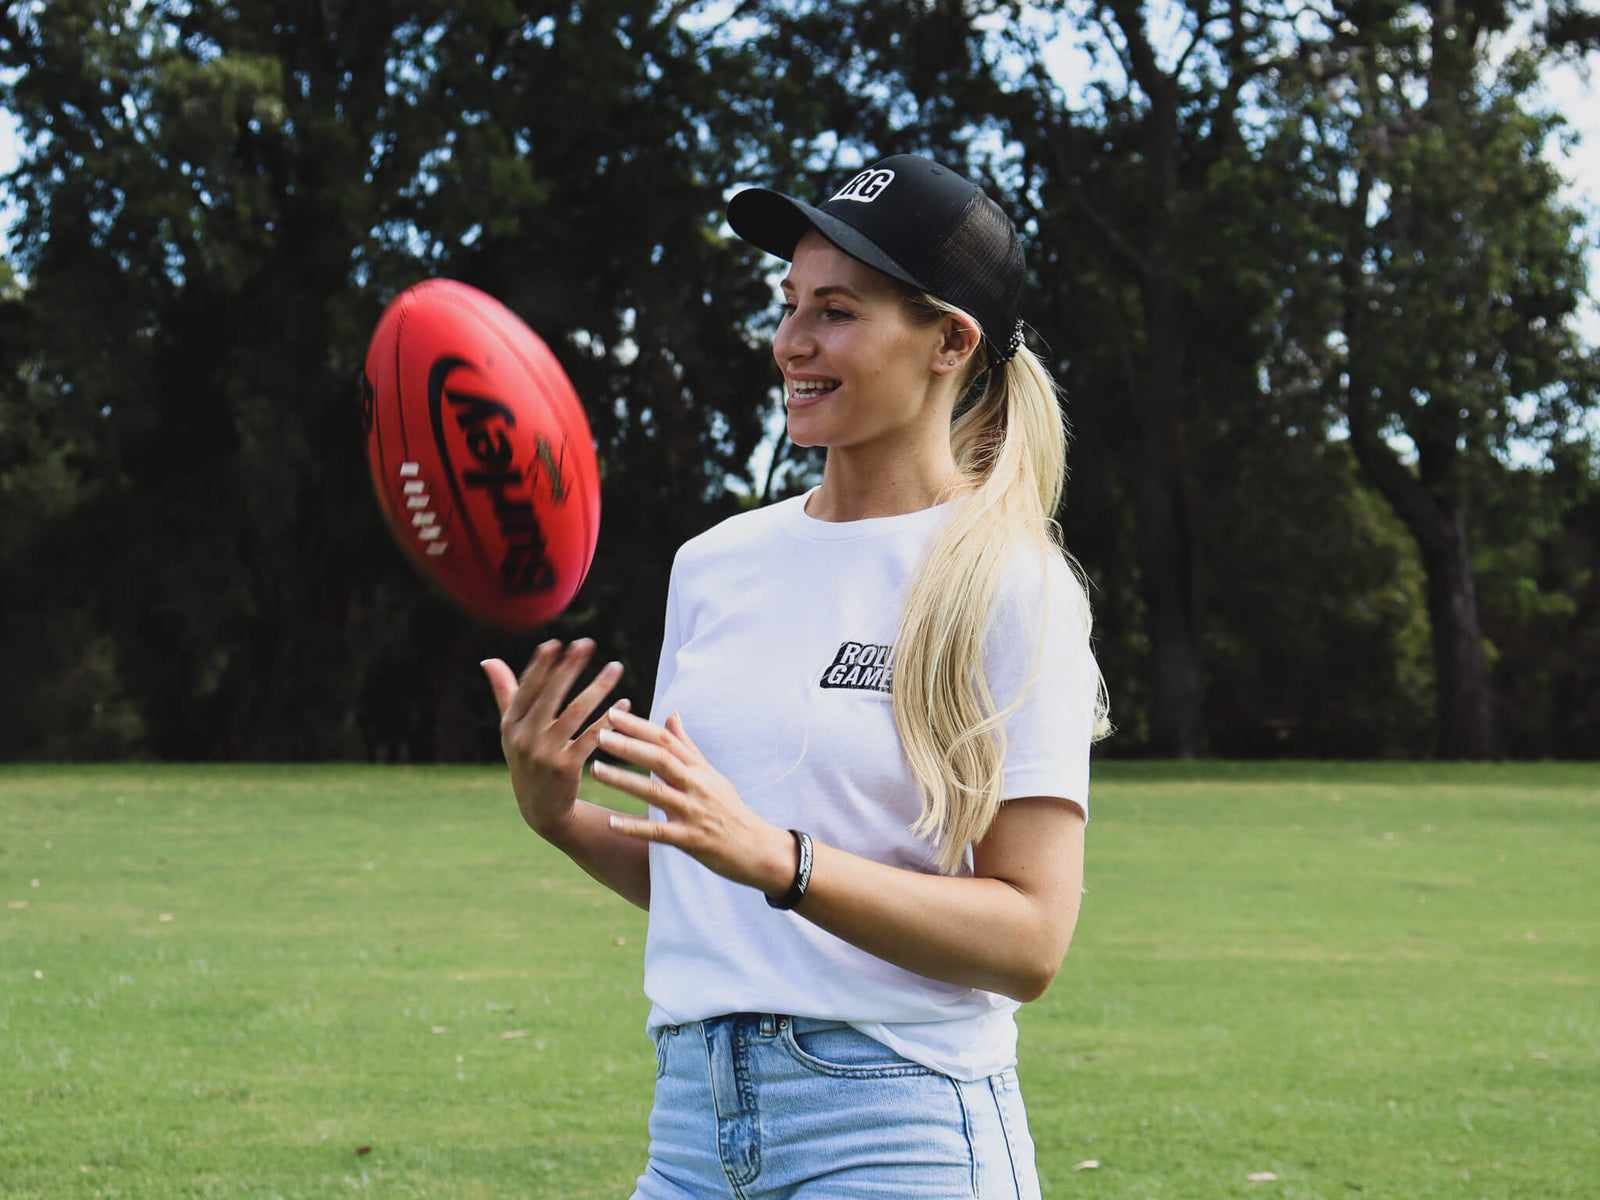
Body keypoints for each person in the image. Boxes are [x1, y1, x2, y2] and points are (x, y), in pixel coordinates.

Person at [481, 153, 1108, 1199]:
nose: (792, 343)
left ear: (950, 340)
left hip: (897, 1126)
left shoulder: (1013, 584)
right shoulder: (714, 565)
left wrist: (782, 857)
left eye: (837, 311)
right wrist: (559, 817)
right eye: (787, 307)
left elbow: (1030, 939)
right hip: (692, 1125)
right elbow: (712, 892)